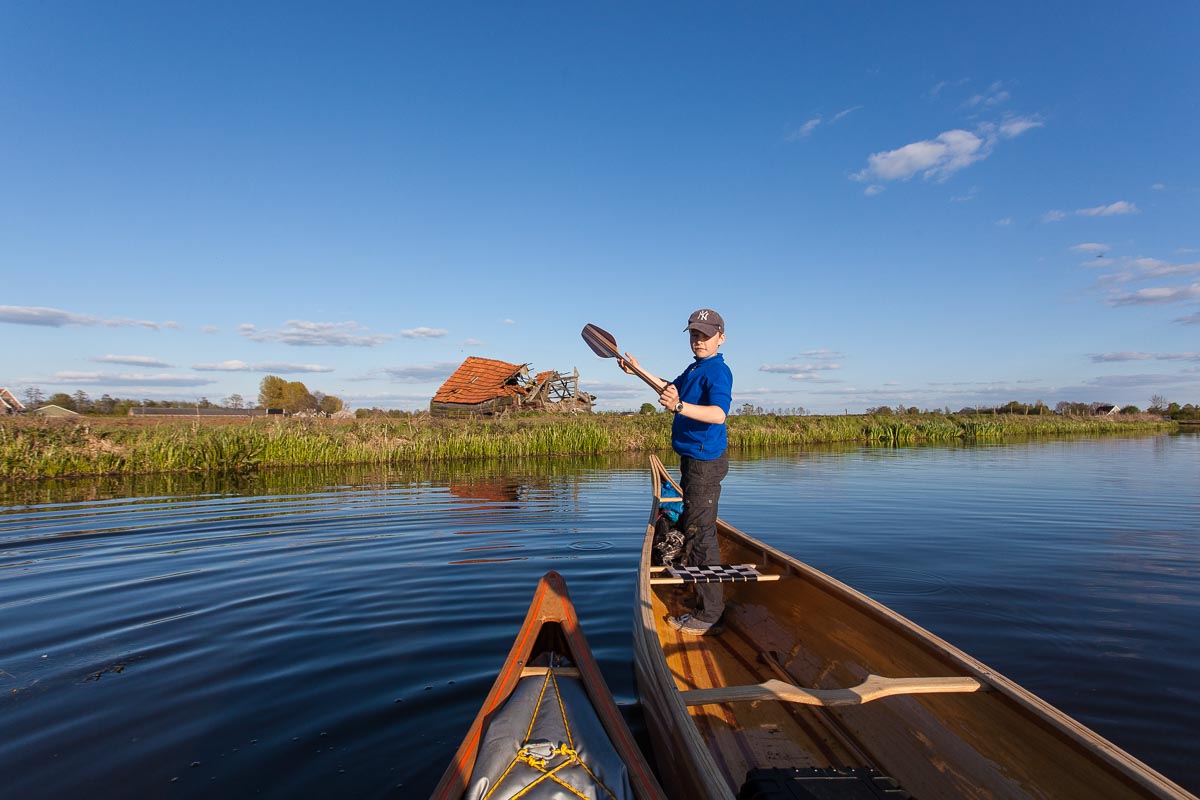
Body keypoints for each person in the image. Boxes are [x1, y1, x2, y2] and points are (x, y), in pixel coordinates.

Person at [618, 309, 733, 636]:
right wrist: (638, 371)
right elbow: (669, 390)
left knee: (701, 534)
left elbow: (718, 414)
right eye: (695, 334)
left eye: (706, 335)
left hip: (705, 463)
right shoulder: (695, 368)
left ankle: (710, 613)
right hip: (693, 460)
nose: (699, 340)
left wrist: (679, 407)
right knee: (695, 525)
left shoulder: (718, 371)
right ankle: (697, 582)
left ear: (720, 337)